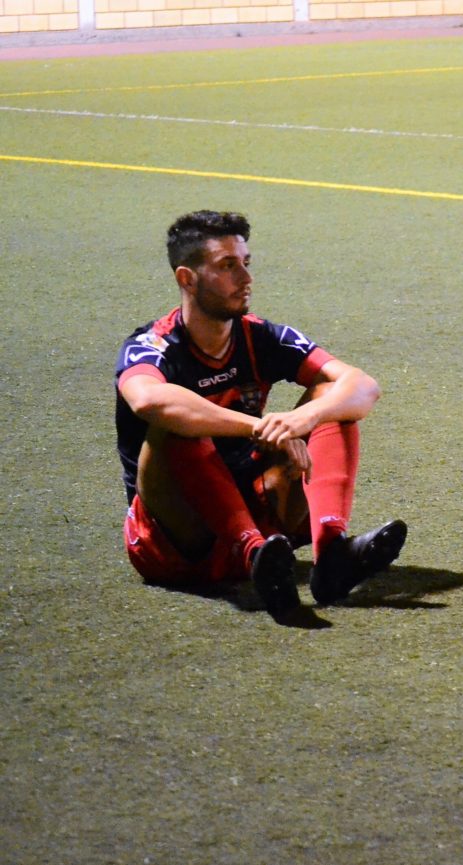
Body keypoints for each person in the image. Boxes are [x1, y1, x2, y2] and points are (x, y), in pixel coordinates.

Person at [115, 210, 406, 619]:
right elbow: (149, 401)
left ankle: (331, 552)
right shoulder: (153, 345)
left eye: (246, 263)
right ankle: (252, 554)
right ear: (187, 278)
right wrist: (258, 427)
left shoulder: (262, 335)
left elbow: (363, 386)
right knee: (177, 422)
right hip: (177, 541)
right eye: (227, 266)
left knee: (330, 398)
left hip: (260, 520)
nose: (246, 278)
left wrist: (306, 418)